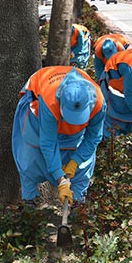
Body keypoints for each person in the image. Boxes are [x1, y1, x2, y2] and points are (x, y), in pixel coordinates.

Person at [12, 66, 106, 207]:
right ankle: (29, 203)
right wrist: (60, 180)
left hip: (73, 128)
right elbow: (48, 143)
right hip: (39, 115)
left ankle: (78, 204)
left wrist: (75, 162)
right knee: (31, 157)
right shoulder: (49, 101)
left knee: (84, 164)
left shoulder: (99, 103)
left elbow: (93, 138)